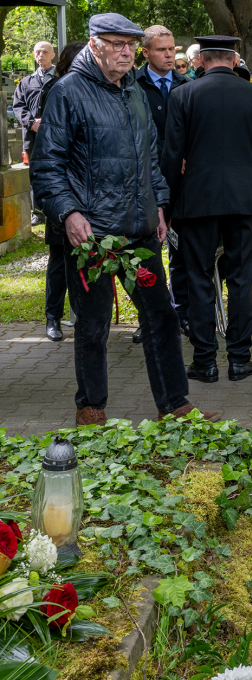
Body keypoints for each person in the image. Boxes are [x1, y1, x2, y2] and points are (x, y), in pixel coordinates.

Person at [31, 13, 218, 426]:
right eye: (117, 44)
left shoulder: (133, 91)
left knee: (161, 317)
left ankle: (174, 403)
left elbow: (150, 157)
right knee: (93, 324)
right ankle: (91, 406)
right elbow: (47, 166)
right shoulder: (67, 92)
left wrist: (160, 205)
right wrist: (69, 213)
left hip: (139, 231)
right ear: (95, 45)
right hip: (91, 236)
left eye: (131, 45)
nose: (126, 52)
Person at [161, 35, 252, 384]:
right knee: (241, 279)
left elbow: (171, 157)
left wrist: (167, 205)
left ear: (200, 61)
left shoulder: (182, 95)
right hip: (243, 201)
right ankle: (239, 358)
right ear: (235, 60)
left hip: (196, 201)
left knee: (199, 279)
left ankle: (205, 361)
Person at [134, 24, 190, 345]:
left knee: (180, 248)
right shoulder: (134, 86)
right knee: (147, 254)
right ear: (146, 52)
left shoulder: (186, 84)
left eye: (172, 49)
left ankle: (180, 313)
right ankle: (151, 316)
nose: (169, 55)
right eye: (161, 50)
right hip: (146, 183)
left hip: (182, 183)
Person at [36, 41, 86, 343]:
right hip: (62, 189)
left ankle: (84, 315)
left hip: (87, 193)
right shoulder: (55, 89)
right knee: (59, 260)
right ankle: (52, 316)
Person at [13, 41, 56, 167]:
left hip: (56, 138)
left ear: (52, 55)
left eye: (45, 52)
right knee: (36, 178)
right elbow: (18, 106)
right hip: (32, 139)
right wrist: (32, 123)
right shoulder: (25, 82)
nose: (41, 55)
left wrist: (47, 122)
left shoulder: (62, 80)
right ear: (34, 55)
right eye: (38, 52)